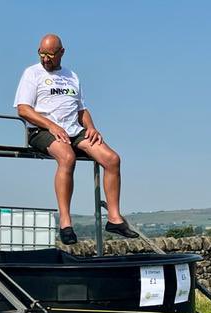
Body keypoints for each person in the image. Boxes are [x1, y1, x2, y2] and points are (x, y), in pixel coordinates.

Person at [15, 33, 139, 244]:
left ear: (62, 52)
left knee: (112, 159)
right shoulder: (32, 73)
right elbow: (24, 110)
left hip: (73, 129)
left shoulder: (72, 76)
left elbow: (82, 109)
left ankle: (114, 218)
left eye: (50, 54)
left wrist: (91, 127)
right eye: (41, 53)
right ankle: (65, 222)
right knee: (67, 157)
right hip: (42, 130)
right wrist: (51, 125)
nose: (45, 59)